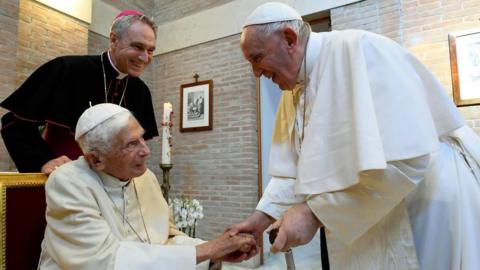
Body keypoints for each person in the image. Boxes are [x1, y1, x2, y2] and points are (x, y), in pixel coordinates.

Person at [228, 2, 480, 270]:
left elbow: (406, 160)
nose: (256, 73)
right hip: (375, 212)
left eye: (257, 58)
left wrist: (314, 213)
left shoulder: (360, 49)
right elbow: (291, 171)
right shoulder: (292, 88)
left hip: (424, 207)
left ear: (289, 39)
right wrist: (261, 218)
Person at [38, 103, 256, 270]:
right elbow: (106, 262)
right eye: (132, 144)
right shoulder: (68, 182)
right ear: (96, 160)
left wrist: (212, 255)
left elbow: (166, 238)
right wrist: (207, 250)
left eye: (141, 139)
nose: (146, 150)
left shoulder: (145, 177)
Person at [1, 10, 158, 175]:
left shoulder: (141, 92)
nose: (144, 57)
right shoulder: (67, 69)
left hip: (113, 190)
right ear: (113, 40)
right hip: (65, 183)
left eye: (150, 50)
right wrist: (44, 160)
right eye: (137, 47)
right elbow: (13, 124)